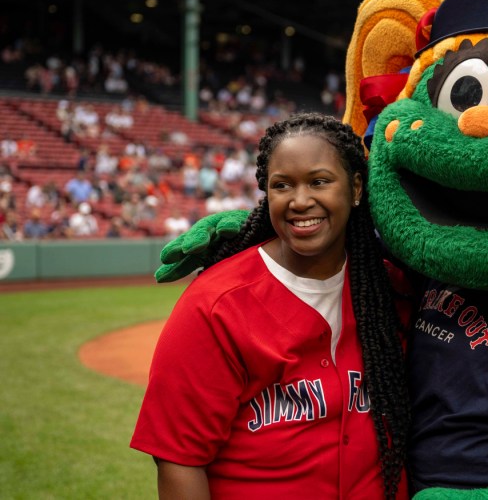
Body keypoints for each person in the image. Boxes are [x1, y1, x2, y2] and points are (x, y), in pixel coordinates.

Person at [131, 113, 410, 499]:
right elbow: (180, 459)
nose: (300, 200)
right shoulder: (215, 305)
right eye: (282, 186)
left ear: (356, 187)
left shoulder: (388, 289)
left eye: (319, 181)